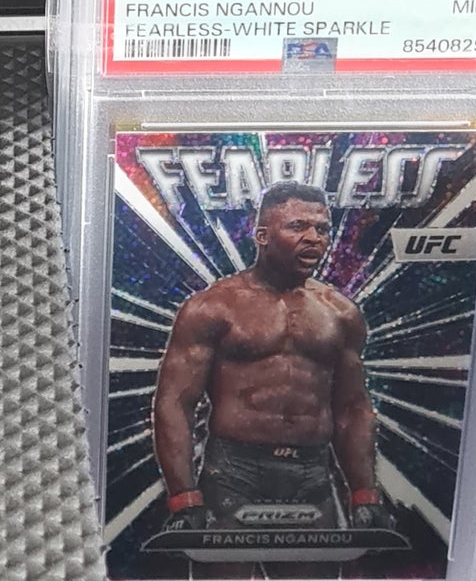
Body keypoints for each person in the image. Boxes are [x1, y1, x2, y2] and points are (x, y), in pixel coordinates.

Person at [151, 183, 387, 536]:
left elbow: (352, 408)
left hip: (312, 472)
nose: (314, 238)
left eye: (322, 229)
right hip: (234, 471)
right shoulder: (213, 307)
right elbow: (174, 402)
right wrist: (183, 497)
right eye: (298, 226)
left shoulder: (341, 313)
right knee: (225, 573)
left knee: (317, 574)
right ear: (262, 236)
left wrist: (365, 493)